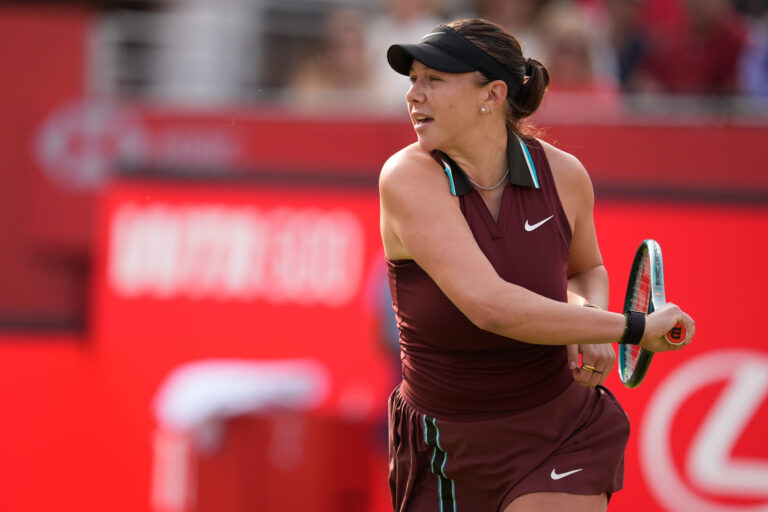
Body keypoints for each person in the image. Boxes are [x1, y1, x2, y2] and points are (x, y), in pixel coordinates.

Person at [379, 18, 695, 512]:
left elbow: (584, 269)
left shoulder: (565, 175)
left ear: (493, 94)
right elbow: (491, 308)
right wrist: (630, 328)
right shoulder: (406, 177)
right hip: (445, 443)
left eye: (433, 80)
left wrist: (589, 320)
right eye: (412, 79)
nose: (413, 95)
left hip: (561, 430)